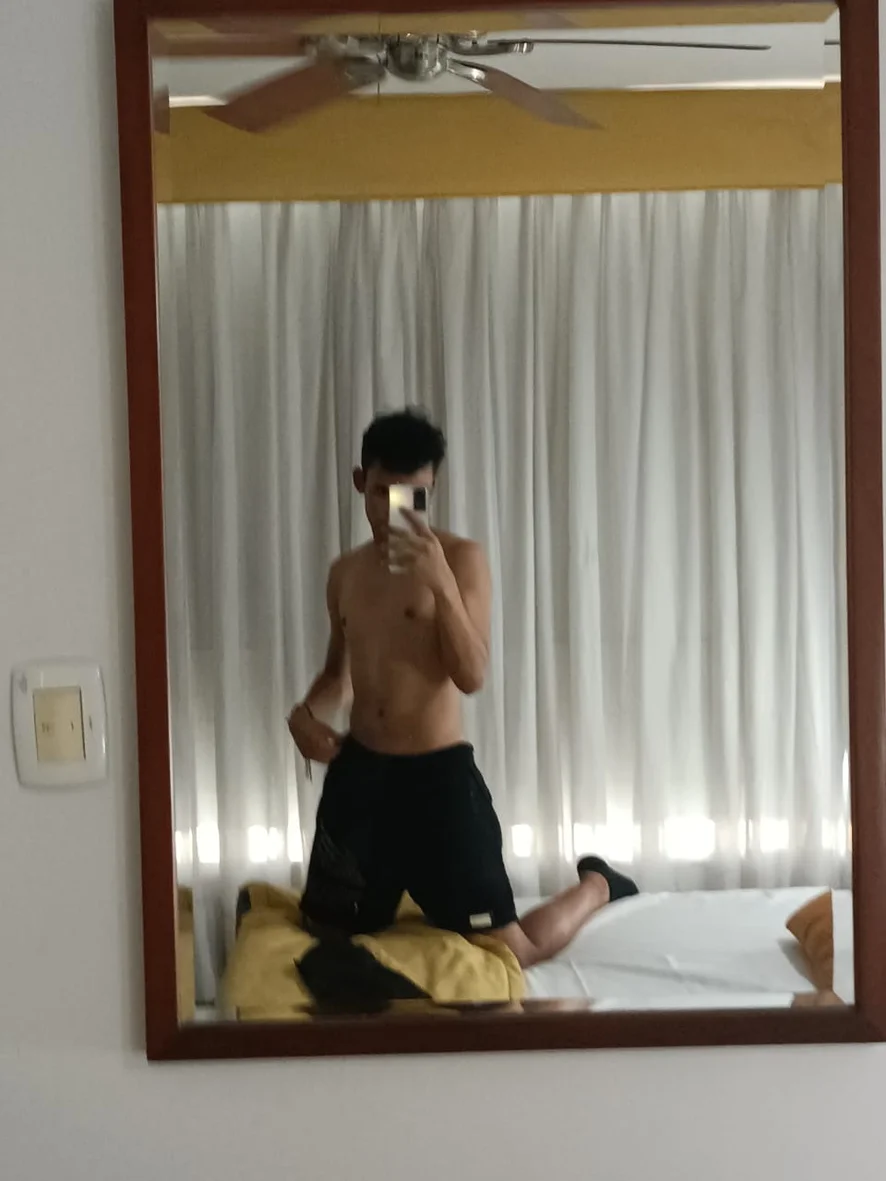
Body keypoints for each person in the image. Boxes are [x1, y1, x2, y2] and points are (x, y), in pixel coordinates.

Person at [288, 408, 637, 969]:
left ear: (432, 490)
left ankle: (598, 884)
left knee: (509, 951)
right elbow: (338, 676)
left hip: (437, 779)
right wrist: (306, 715)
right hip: (361, 775)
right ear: (359, 482)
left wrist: (442, 586)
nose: (395, 510)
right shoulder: (346, 573)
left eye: (412, 496)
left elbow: (472, 676)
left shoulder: (461, 559)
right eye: (381, 493)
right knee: (322, 934)